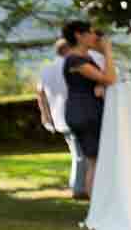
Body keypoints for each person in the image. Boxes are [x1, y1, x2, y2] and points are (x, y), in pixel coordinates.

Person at [62, 20, 117, 199]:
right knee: (94, 161)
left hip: (89, 108)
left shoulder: (86, 58)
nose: (96, 37)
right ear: (79, 35)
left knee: (96, 160)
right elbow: (110, 78)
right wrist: (107, 51)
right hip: (84, 112)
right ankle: (95, 209)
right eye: (92, 33)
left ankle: (99, 205)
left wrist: (100, 84)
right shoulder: (74, 59)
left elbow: (103, 80)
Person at [37, 39, 89, 199]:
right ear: (68, 49)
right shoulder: (72, 67)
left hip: (59, 117)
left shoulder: (46, 70)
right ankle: (79, 189)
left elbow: (40, 94)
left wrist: (45, 115)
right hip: (76, 114)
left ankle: (81, 186)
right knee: (82, 155)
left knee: (78, 153)